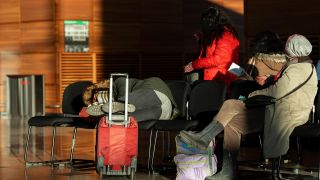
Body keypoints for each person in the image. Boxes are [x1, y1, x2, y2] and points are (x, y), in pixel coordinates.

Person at [179, 34, 317, 179]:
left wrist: (253, 94)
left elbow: (276, 92)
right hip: (273, 109)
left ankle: (205, 139)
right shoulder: (296, 66)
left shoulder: (298, 68)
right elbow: (280, 89)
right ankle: (227, 170)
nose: (285, 51)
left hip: (282, 112)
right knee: (231, 121)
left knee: (231, 105)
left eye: (287, 48)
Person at [184, 6, 240, 93]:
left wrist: (194, 64)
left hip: (221, 79)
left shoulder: (226, 34)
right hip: (216, 78)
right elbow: (213, 50)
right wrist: (202, 39)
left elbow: (219, 59)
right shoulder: (219, 33)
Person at [83, 77, 179, 122]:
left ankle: (114, 110)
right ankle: (111, 114)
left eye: (95, 96)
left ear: (99, 88)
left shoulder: (118, 82)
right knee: (123, 119)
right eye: (94, 102)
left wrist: (114, 103)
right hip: (163, 114)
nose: (99, 99)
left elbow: (125, 95)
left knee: (126, 103)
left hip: (156, 94)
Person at [229, 30, 287, 99]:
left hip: (257, 97)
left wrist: (236, 71)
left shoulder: (257, 59)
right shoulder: (287, 60)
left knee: (237, 84)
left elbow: (249, 78)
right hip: (277, 98)